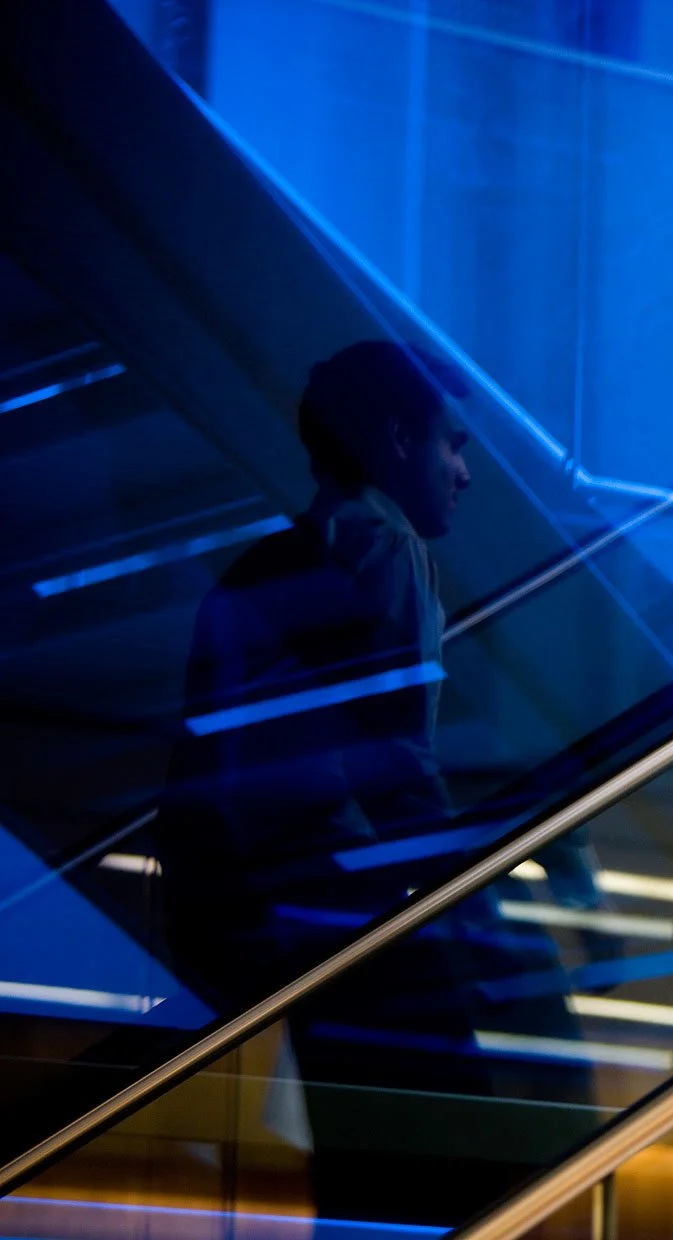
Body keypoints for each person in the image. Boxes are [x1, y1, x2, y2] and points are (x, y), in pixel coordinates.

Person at [160, 341, 588, 1224]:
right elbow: (395, 763)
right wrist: (470, 911)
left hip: (277, 919)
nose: (466, 474)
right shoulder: (388, 550)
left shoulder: (257, 569)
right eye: (452, 446)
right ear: (398, 440)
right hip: (359, 913)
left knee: (363, 1179)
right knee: (462, 1166)